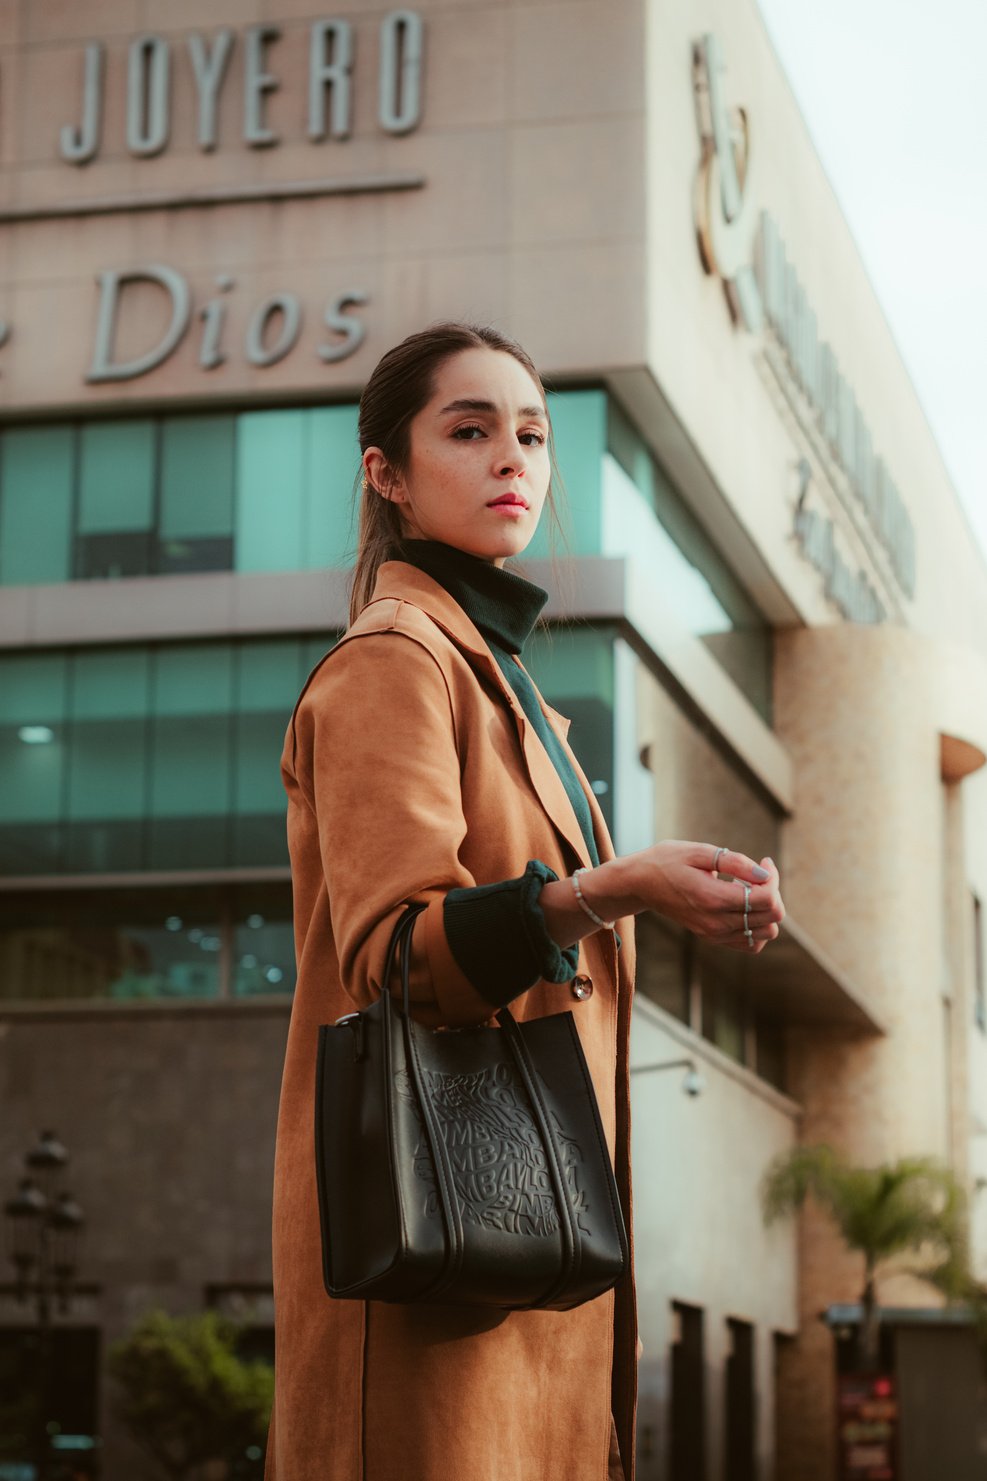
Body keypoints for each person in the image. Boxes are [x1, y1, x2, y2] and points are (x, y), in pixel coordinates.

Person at [266, 322, 785, 1481]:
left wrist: (655, 886)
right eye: (471, 428)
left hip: (520, 1278)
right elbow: (402, 954)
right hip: (433, 1280)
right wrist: (611, 888)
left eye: (533, 433)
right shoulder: (394, 660)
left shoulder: (510, 690)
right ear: (386, 474)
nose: (514, 457)